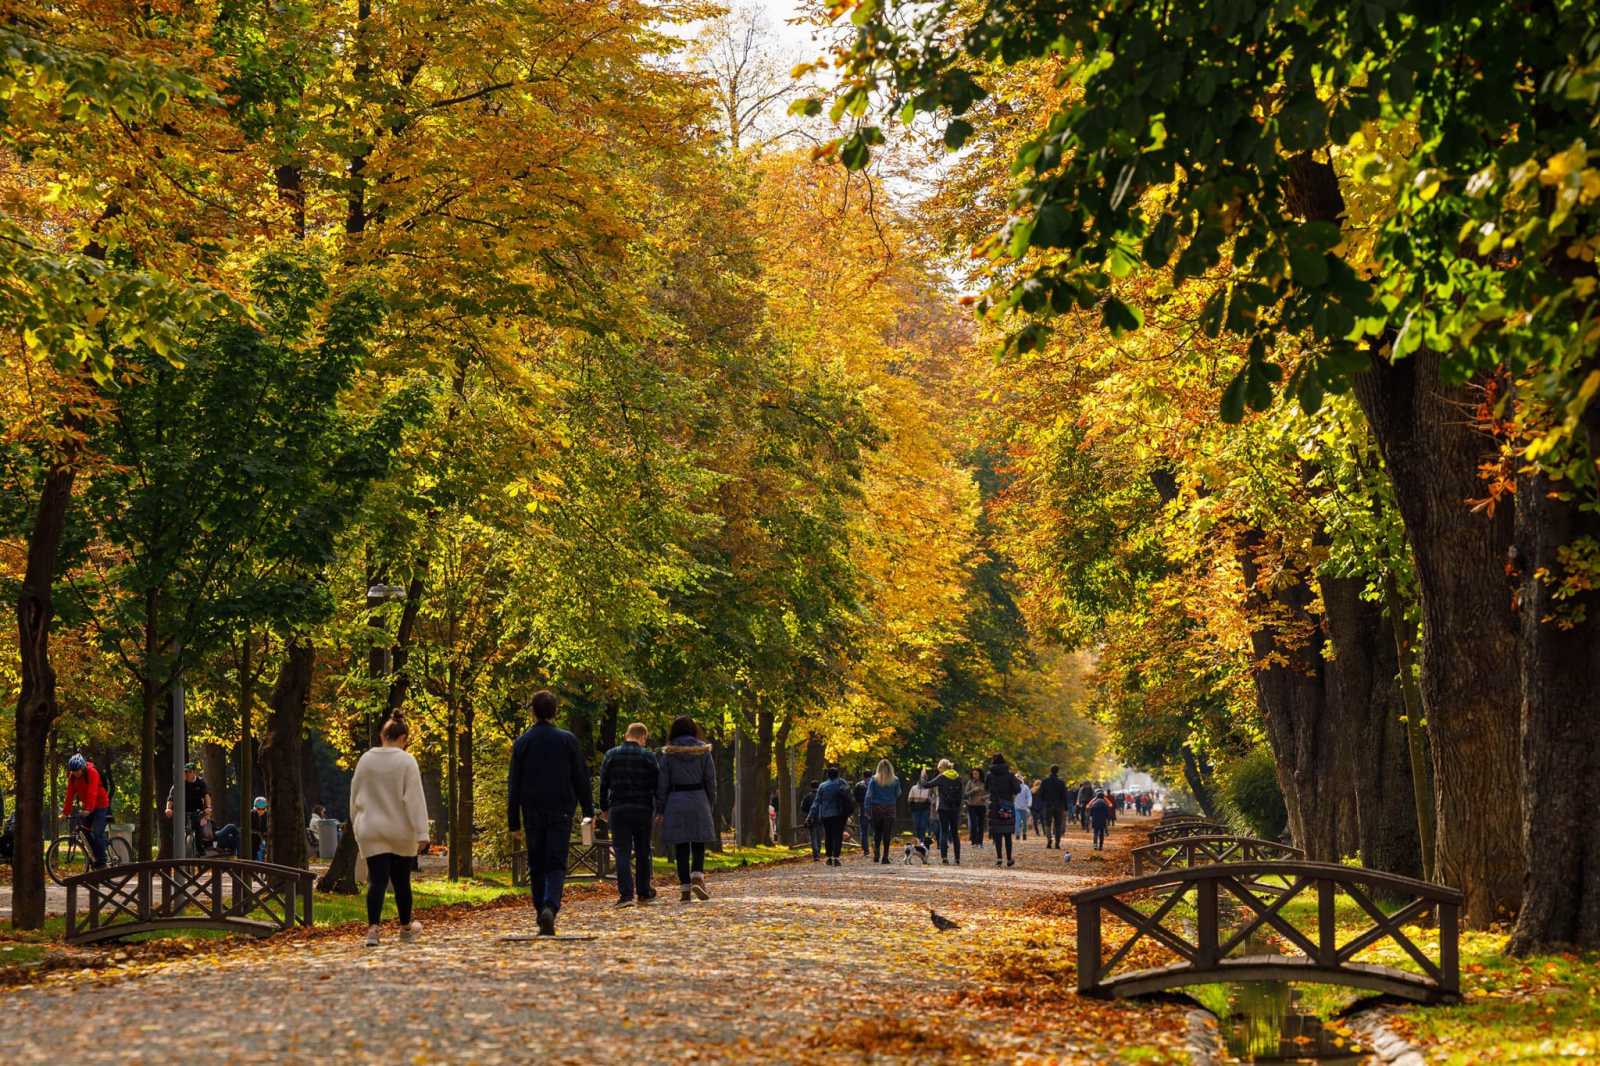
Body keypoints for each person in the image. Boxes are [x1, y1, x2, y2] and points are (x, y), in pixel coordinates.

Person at [507, 690, 593, 936]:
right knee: (556, 863)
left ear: (533, 711)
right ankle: (550, 906)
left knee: (536, 864)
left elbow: (514, 785)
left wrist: (513, 821)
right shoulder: (568, 740)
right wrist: (588, 810)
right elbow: (580, 778)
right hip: (561, 810)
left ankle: (539, 911)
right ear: (555, 712)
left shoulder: (522, 742)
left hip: (532, 811)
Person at [349, 715, 430, 947]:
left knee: (377, 881)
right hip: (400, 830)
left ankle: (373, 929)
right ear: (403, 738)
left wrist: (357, 825)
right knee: (402, 881)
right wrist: (422, 833)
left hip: (371, 828)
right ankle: (405, 929)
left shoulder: (365, 760)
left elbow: (354, 797)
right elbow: (414, 799)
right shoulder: (407, 761)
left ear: (381, 736)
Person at [656, 715, 716, 902]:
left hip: (676, 800)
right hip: (699, 798)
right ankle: (697, 875)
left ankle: (684, 889)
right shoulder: (704, 752)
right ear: (693, 730)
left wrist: (660, 808)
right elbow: (710, 780)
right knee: (698, 841)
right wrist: (710, 802)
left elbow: (662, 783)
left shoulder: (668, 754)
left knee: (681, 845)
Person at [599, 722, 659, 908]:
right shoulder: (648, 756)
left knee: (622, 851)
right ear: (643, 737)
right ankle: (644, 891)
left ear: (626, 735)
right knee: (643, 851)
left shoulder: (611, 755)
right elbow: (657, 784)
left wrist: (604, 808)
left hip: (619, 808)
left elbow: (604, 784)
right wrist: (659, 807)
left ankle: (626, 895)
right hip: (642, 809)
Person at [62, 754, 111, 869]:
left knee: (96, 833)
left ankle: (103, 861)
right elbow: (69, 795)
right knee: (86, 833)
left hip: (101, 805)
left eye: (77, 770)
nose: (75, 773)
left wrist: (88, 809)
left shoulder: (92, 773)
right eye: (73, 771)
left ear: (83, 767)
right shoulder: (72, 777)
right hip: (88, 807)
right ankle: (96, 857)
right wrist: (65, 812)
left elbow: (92, 792)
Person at [811, 767, 853, 865]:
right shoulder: (842, 783)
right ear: (838, 774)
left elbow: (816, 802)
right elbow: (849, 797)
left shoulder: (822, 786)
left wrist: (811, 815)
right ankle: (836, 857)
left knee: (828, 835)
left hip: (826, 815)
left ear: (828, 775)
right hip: (840, 814)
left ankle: (829, 857)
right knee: (838, 835)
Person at [985, 755, 1021, 867]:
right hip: (1007, 806)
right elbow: (1017, 790)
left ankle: (999, 858)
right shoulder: (1010, 775)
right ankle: (1009, 858)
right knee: (1007, 833)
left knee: (997, 833)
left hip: (995, 807)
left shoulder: (990, 775)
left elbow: (986, 788)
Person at [926, 759, 963, 865]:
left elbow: (927, 785)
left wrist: (923, 777)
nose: (939, 770)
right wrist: (958, 807)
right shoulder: (958, 777)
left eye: (939, 768)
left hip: (943, 808)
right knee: (955, 833)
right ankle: (957, 858)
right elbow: (960, 794)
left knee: (944, 832)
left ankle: (944, 858)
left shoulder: (942, 777)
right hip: (954, 809)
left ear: (942, 767)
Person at [863, 759, 901, 865]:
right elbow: (898, 793)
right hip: (890, 809)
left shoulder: (874, 780)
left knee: (877, 833)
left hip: (877, 809)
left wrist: (866, 809)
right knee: (887, 833)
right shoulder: (895, 780)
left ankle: (876, 854)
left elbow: (869, 795)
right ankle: (885, 856)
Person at [1036, 766, 1070, 849]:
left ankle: (1049, 840)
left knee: (1047, 823)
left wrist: (1042, 803)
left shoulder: (1045, 782)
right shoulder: (1061, 782)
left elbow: (1040, 794)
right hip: (1059, 806)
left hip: (1048, 805)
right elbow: (1064, 796)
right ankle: (1057, 842)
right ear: (1057, 771)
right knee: (1058, 824)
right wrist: (1065, 807)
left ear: (1050, 771)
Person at [907, 769, 934, 848]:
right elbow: (909, 799)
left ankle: (921, 841)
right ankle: (918, 840)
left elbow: (931, 800)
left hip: (924, 809)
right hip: (915, 809)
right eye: (922, 778)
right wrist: (912, 807)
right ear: (919, 778)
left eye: (925, 778)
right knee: (916, 825)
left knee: (923, 825)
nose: (923, 779)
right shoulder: (914, 788)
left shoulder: (929, 788)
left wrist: (929, 800)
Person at [963, 767, 987, 846]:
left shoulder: (984, 783)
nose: (975, 775)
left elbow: (990, 793)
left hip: (981, 805)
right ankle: (974, 841)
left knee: (981, 824)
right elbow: (965, 794)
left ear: (980, 774)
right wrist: (973, 790)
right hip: (972, 805)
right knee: (973, 824)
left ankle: (980, 842)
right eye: (973, 774)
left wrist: (985, 797)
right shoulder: (970, 782)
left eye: (976, 774)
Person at [800, 780, 823, 861]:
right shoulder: (822, 796)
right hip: (821, 818)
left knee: (813, 837)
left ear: (811, 787)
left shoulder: (807, 796)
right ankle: (819, 852)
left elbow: (803, 808)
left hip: (811, 819)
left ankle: (816, 855)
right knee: (819, 837)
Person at [852, 772, 871, 855]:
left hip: (863, 808)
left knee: (864, 830)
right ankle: (876, 847)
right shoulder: (876, 784)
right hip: (874, 808)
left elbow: (855, 797)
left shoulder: (858, 785)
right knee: (876, 830)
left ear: (863, 776)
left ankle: (866, 849)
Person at [1013, 775, 1032, 841]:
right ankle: (1017, 835)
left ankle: (1024, 833)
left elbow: (1029, 796)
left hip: (1024, 808)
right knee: (1017, 821)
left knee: (1024, 823)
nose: (1018, 781)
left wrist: (1029, 803)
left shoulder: (1025, 787)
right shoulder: (1013, 787)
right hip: (1016, 807)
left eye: (1019, 780)